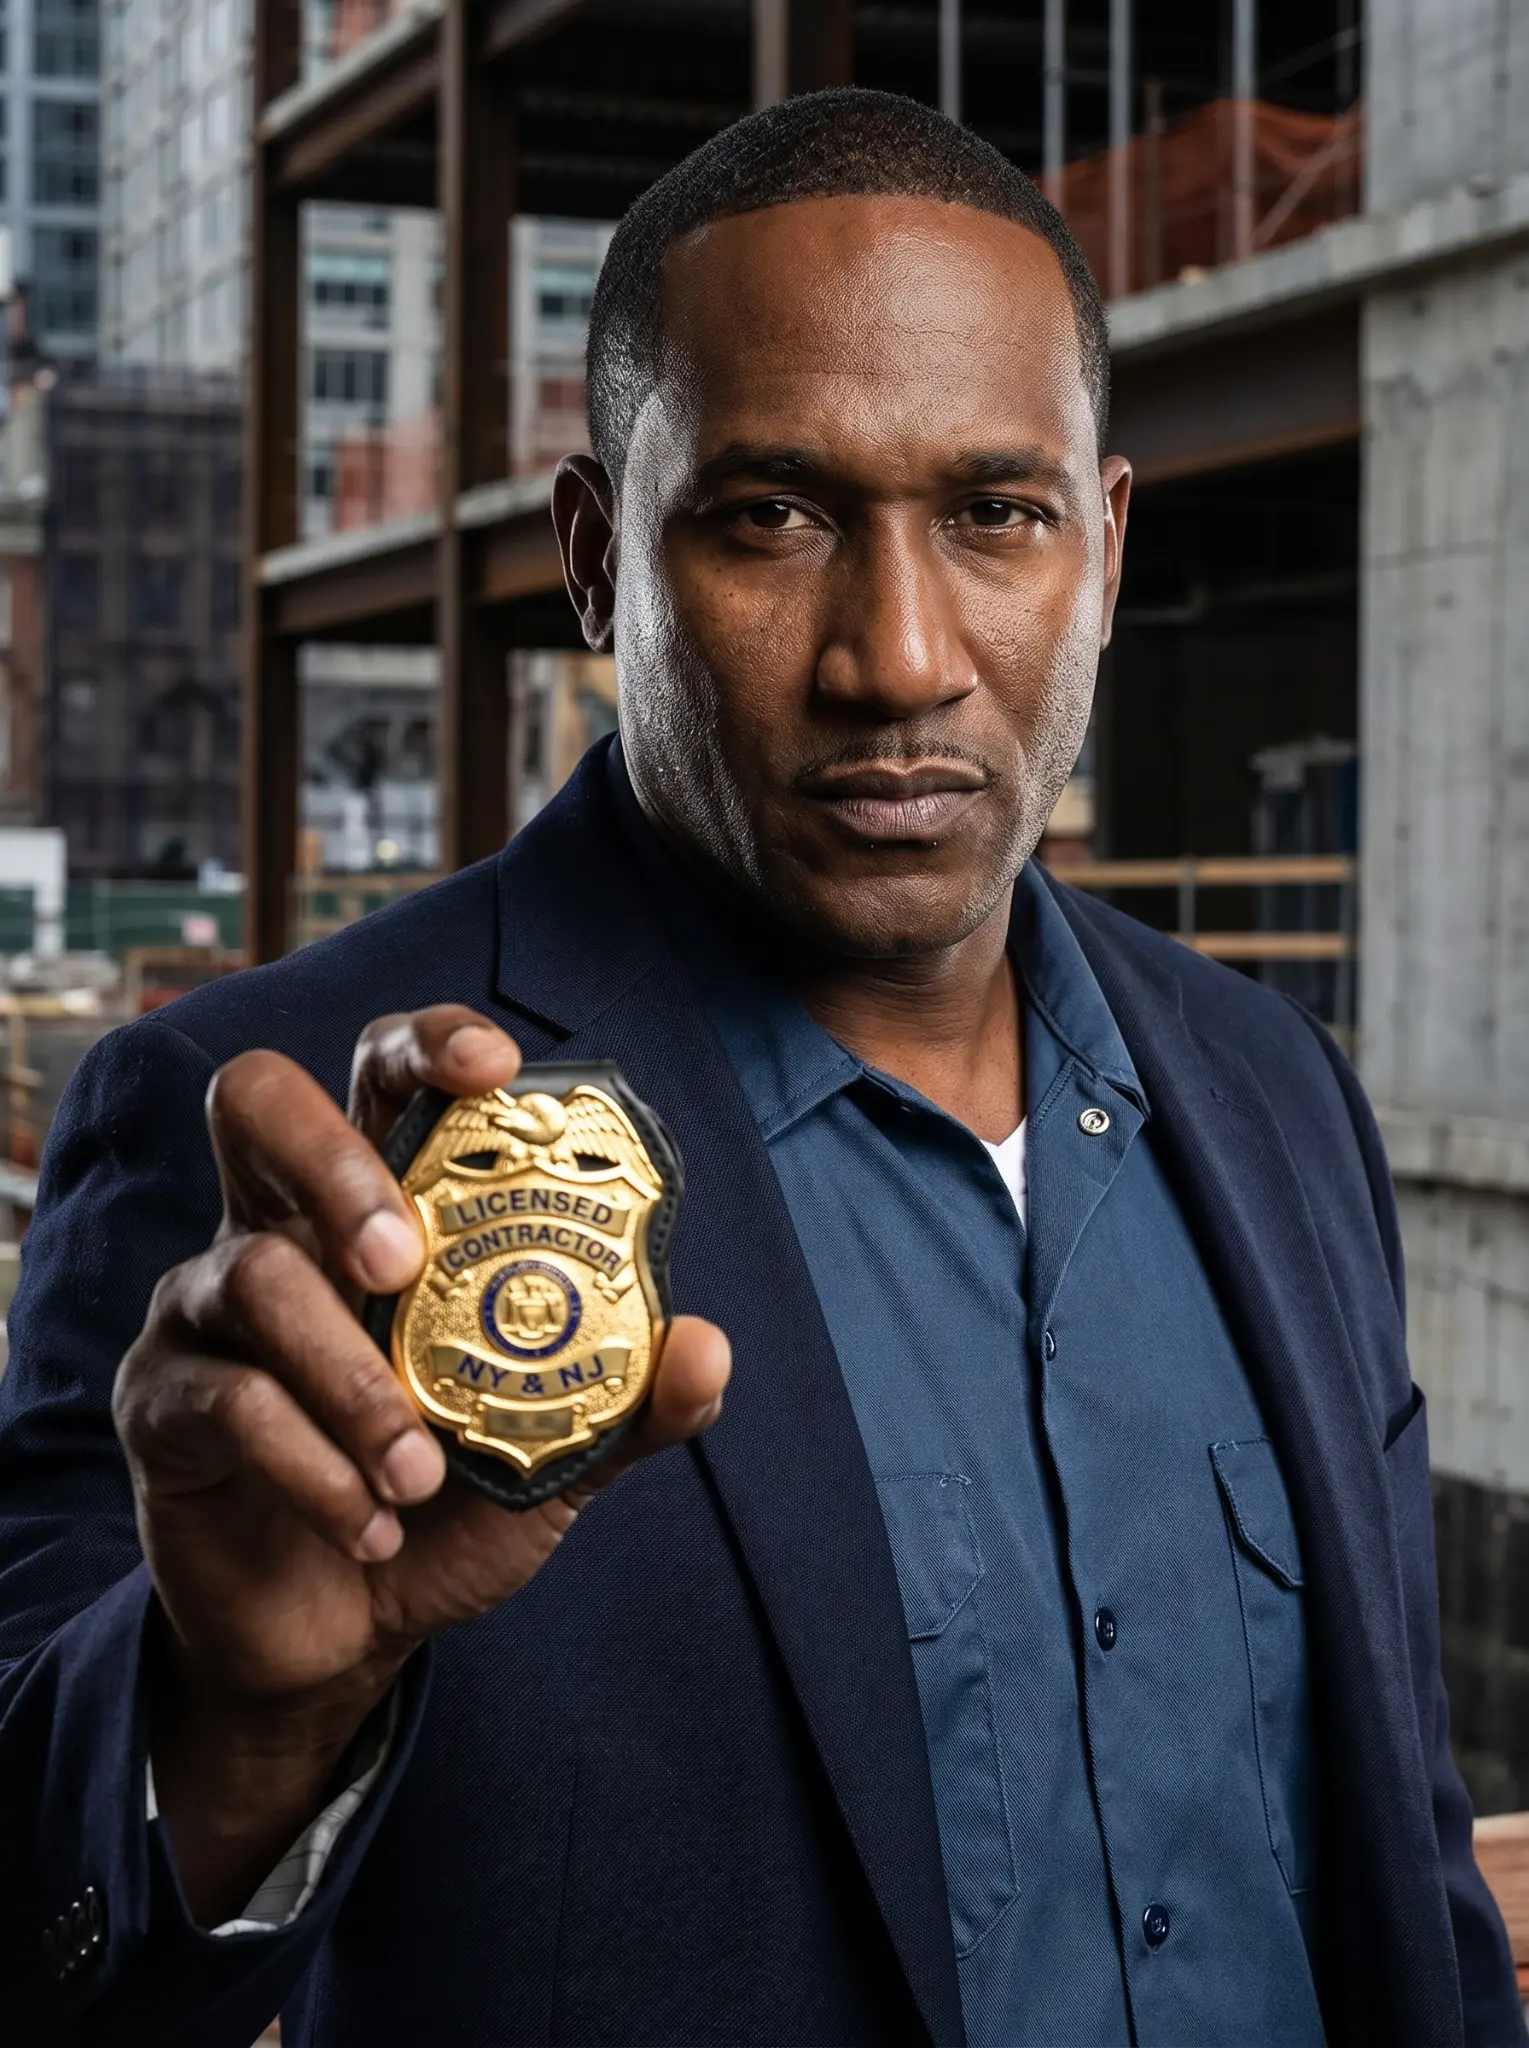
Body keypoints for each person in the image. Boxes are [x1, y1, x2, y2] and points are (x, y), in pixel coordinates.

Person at [0, 88, 1519, 2048]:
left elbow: (1407, 1885)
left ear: (1103, 546)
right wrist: (230, 1724)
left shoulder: (1272, 1096)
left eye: (994, 514)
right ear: (591, 557)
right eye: (769, 516)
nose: (896, 655)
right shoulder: (270, 1135)